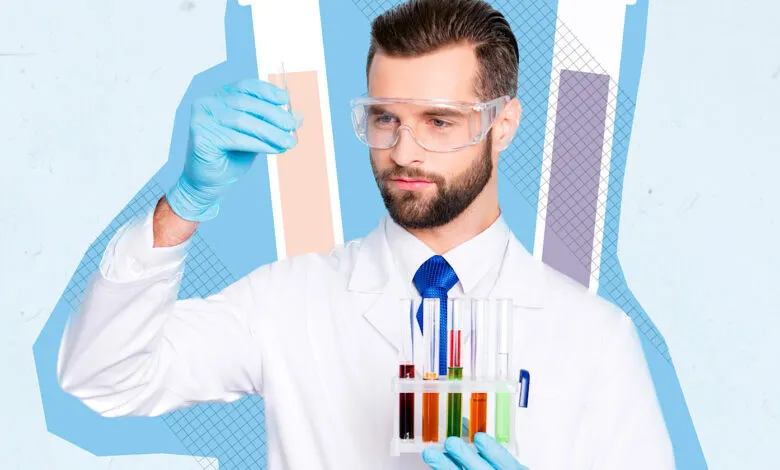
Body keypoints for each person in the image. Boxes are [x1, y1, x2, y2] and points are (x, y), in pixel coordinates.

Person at [56, 0, 674, 469]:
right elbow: (104, 378)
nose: (404, 150)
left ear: (503, 125)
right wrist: (184, 205)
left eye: (438, 120)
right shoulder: (288, 301)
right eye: (385, 118)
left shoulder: (595, 339)